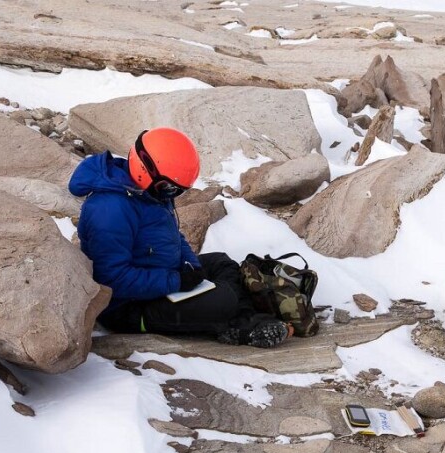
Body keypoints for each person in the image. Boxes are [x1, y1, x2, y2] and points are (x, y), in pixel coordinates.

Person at [68, 128, 291, 348]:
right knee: (223, 299)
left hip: (160, 279)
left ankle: (239, 319)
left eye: (178, 190)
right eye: (170, 188)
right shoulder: (110, 209)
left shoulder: (149, 191)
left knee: (221, 263)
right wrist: (175, 282)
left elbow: (174, 237)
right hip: (129, 307)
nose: (173, 195)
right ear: (144, 170)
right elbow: (111, 279)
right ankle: (242, 324)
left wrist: (190, 267)